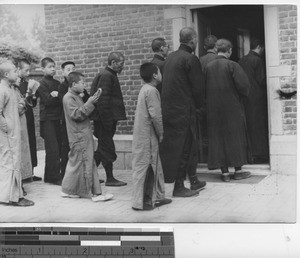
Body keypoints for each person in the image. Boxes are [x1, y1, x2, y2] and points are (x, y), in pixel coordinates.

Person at [160, 27, 206, 197]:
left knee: (174, 148)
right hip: (185, 112)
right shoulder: (191, 59)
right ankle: (179, 186)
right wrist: (200, 108)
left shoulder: (170, 58)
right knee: (186, 147)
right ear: (193, 40)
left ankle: (189, 181)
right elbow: (198, 89)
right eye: (196, 39)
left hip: (169, 111)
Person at [204, 38, 252, 182]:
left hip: (213, 110)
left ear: (216, 50)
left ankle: (224, 173)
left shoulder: (208, 67)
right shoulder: (233, 65)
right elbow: (244, 88)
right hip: (232, 109)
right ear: (230, 51)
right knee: (235, 138)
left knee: (218, 139)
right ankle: (238, 171)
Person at [61, 72, 113, 201]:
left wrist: (90, 101)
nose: (84, 86)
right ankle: (93, 193)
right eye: (82, 83)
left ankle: (69, 190)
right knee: (85, 162)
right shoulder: (69, 98)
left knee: (78, 163)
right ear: (74, 84)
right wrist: (90, 102)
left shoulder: (75, 96)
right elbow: (77, 115)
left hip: (81, 134)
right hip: (79, 135)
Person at [132, 63, 172, 211]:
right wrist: (160, 132)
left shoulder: (145, 89)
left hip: (143, 134)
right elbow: (156, 115)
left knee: (155, 165)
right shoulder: (152, 91)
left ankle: (158, 196)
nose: (161, 74)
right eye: (159, 72)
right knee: (147, 166)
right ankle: (142, 202)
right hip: (147, 136)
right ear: (155, 75)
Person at [90, 52, 127, 187]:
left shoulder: (109, 75)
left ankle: (88, 176)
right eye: (121, 64)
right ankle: (110, 179)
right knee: (106, 148)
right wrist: (106, 123)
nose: (122, 66)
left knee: (101, 149)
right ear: (113, 63)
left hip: (106, 120)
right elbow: (103, 101)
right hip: (105, 121)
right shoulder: (106, 76)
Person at [0, 60, 34, 206]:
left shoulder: (12, 89)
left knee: (14, 162)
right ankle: (13, 198)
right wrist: (6, 127)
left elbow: (18, 108)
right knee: (10, 163)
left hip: (13, 133)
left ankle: (12, 195)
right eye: (14, 71)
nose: (17, 73)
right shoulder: (2, 90)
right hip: (7, 134)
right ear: (6, 74)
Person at [238, 38, 269, 163]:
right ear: (260, 47)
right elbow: (261, 80)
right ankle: (259, 154)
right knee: (259, 126)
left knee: (248, 126)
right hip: (257, 98)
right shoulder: (257, 60)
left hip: (245, 98)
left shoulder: (241, 60)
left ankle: (249, 154)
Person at [58, 61, 90, 178]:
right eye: (68, 69)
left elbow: (87, 99)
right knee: (67, 147)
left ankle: (82, 174)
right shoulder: (63, 87)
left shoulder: (80, 88)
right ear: (63, 72)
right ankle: (64, 175)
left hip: (80, 122)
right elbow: (63, 100)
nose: (71, 71)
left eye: (73, 68)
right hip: (67, 121)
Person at [37, 57, 62, 185]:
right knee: (53, 149)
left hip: (57, 118)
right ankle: (53, 177)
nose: (53, 69)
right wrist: (56, 96)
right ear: (43, 69)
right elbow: (47, 101)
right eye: (49, 67)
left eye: (54, 66)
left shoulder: (58, 83)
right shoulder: (41, 84)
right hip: (47, 120)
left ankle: (50, 176)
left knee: (59, 147)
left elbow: (62, 98)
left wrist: (56, 95)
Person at [18, 59, 41, 182]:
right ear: (18, 70)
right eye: (25, 70)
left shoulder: (27, 83)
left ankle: (31, 172)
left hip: (29, 115)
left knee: (31, 141)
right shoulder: (16, 85)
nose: (28, 73)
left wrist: (33, 94)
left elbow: (33, 103)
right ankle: (24, 173)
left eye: (29, 70)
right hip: (21, 116)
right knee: (24, 142)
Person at [198, 35, 218, 162]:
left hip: (204, 100)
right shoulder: (221, 59)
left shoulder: (200, 60)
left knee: (205, 129)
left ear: (205, 47)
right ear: (216, 46)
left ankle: (206, 157)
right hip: (218, 99)